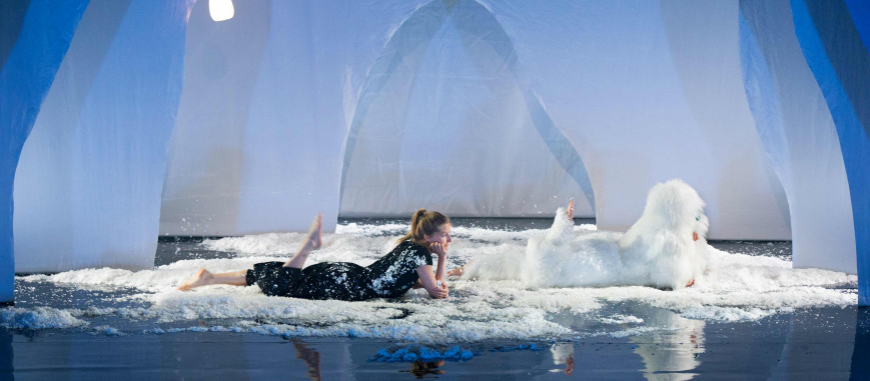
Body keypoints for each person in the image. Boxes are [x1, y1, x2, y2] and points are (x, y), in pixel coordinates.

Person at [450, 179, 709, 290]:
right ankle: (467, 269)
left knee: (527, 262)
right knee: (541, 266)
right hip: (605, 263)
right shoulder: (669, 239)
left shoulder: (649, 225)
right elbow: (672, 279)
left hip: (605, 254)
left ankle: (467, 268)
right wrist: (691, 255)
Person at [178, 209, 452, 300]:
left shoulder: (408, 245)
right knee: (283, 286)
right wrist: (442, 259)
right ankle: (307, 247)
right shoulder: (421, 254)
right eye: (445, 235)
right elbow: (437, 292)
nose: (448, 240)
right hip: (350, 284)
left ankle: (209, 278)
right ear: (429, 237)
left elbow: (412, 282)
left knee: (277, 276)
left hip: (348, 274)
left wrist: (435, 268)